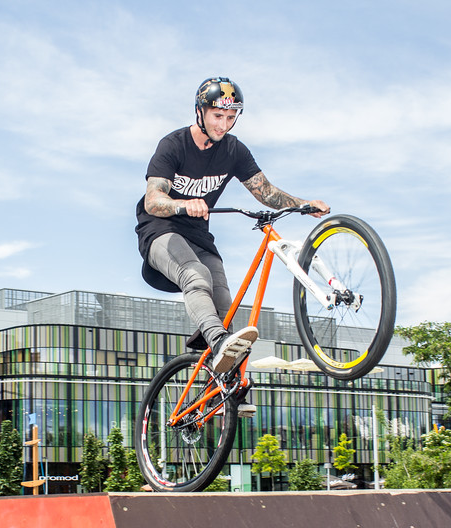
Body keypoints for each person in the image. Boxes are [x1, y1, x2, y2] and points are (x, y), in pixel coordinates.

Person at [135, 76, 330, 379]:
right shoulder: (173, 145)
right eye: (217, 116)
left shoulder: (234, 151)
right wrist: (184, 204)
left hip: (198, 235)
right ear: (200, 112)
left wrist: (302, 205)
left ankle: (229, 391)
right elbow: (153, 199)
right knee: (195, 275)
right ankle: (216, 340)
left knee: (225, 302)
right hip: (161, 229)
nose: (223, 124)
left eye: (230, 117)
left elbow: (265, 192)